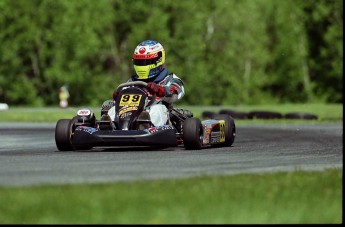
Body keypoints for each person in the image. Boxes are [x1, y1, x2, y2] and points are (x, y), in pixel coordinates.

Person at [109, 40, 185, 126]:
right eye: (140, 62)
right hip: (132, 117)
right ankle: (110, 127)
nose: (142, 65)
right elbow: (121, 98)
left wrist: (160, 90)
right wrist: (118, 96)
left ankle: (146, 125)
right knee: (112, 109)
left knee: (157, 109)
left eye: (146, 62)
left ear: (158, 60)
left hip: (163, 119)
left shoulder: (169, 79)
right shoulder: (132, 82)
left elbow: (176, 92)